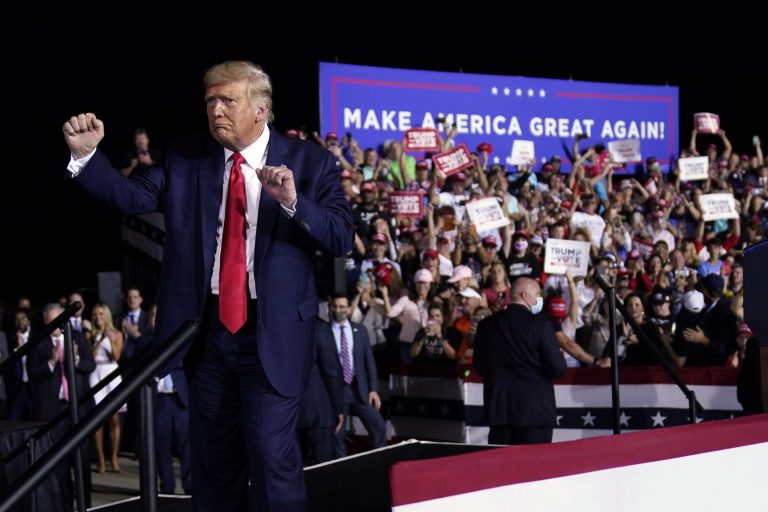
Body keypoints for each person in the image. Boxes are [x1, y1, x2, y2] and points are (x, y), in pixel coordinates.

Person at [63, 60, 353, 511]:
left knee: (271, 459)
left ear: (262, 109)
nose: (215, 110)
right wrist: (86, 157)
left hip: (272, 335)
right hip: (205, 337)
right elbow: (131, 199)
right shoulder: (185, 157)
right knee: (213, 469)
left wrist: (294, 202)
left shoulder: (310, 163)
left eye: (227, 100)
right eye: (210, 101)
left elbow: (340, 237)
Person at [474, 277, 565, 445]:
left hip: (500, 412)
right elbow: (558, 368)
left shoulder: (486, 325)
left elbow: (479, 366)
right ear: (525, 295)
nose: (540, 299)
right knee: (535, 468)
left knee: (502, 468)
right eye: (538, 294)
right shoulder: (542, 325)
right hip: (535, 413)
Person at [316, 294, 386, 458]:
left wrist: (373, 389)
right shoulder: (321, 333)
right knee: (337, 435)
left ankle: (380, 460)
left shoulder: (360, 330)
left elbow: (369, 360)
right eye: (335, 307)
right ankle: (343, 473)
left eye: (342, 307)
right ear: (331, 308)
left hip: (359, 389)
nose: (339, 310)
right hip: (335, 393)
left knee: (378, 425)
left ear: (348, 309)